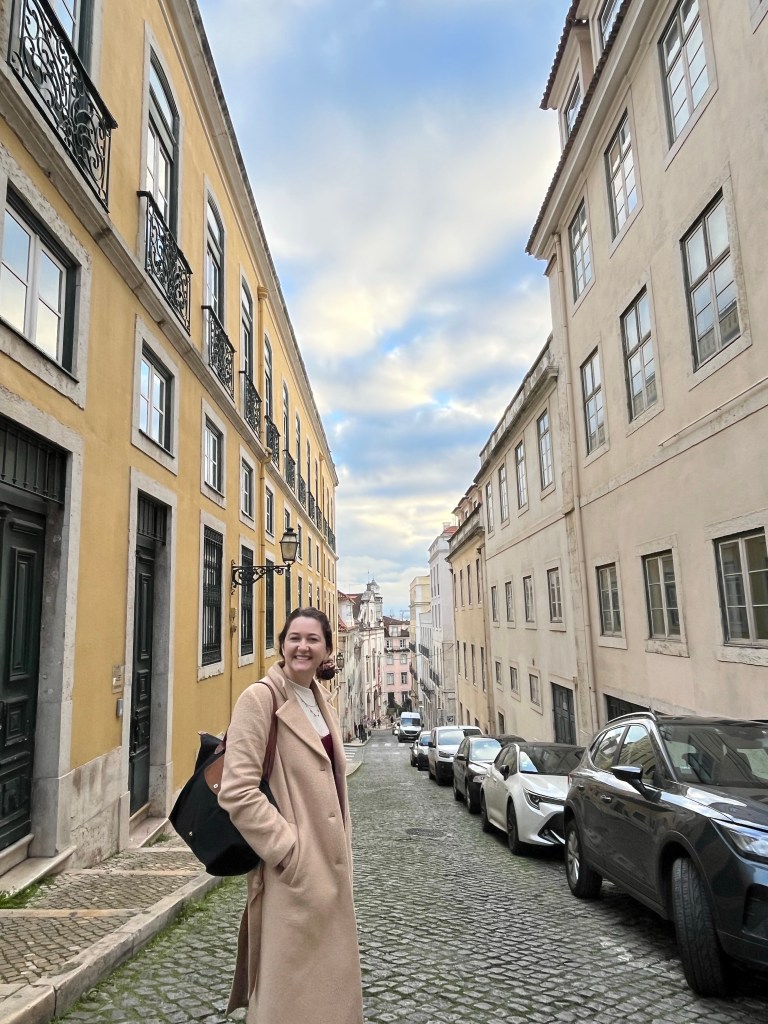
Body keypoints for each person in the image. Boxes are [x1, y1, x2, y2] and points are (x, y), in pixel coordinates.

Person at [218, 608, 364, 1024]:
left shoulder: (319, 699)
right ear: (281, 644)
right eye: (294, 638)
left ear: (327, 650)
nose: (302, 647)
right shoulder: (260, 699)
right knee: (290, 997)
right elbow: (237, 790)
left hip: (331, 870)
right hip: (294, 876)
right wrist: (288, 851)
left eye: (313, 639)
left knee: (328, 995)